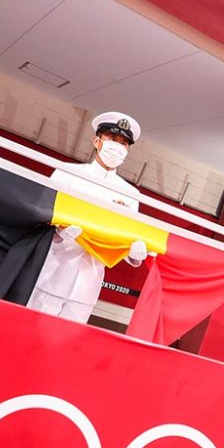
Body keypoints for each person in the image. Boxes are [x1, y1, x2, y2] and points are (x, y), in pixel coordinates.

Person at [27, 111, 148, 322]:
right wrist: (60, 232)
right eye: (112, 139)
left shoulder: (130, 195)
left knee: (63, 347)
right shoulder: (68, 173)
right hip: (52, 272)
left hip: (87, 283)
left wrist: (134, 254)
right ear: (97, 141)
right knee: (26, 331)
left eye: (123, 143)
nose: (117, 146)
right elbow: (41, 217)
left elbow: (125, 237)